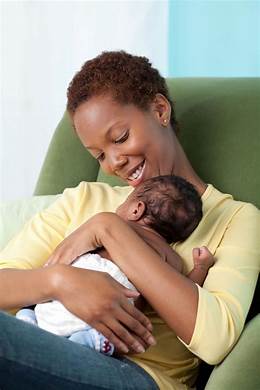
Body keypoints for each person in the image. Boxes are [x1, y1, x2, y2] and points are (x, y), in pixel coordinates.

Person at [0, 51, 259, 390]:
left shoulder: (236, 219)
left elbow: (214, 340)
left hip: (139, 377)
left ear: (160, 110)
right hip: (47, 348)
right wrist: (59, 282)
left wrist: (108, 228)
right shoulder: (84, 199)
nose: (114, 163)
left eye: (120, 138)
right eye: (99, 156)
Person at [15, 175, 214, 356]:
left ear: (137, 209)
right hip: (114, 312)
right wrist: (201, 268)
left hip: (77, 286)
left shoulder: (113, 228)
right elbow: (181, 290)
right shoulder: (172, 258)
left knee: (32, 307)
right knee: (122, 332)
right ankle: (93, 341)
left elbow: (65, 256)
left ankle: (28, 318)